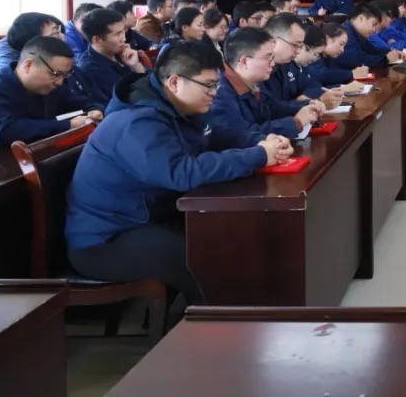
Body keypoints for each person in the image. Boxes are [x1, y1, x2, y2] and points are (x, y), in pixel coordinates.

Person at [64, 40, 290, 305]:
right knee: (205, 257)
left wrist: (261, 142)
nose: (214, 93)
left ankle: (255, 312)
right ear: (174, 82)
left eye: (216, 85)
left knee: (232, 235)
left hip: (150, 218)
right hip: (106, 238)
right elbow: (182, 172)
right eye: (208, 86)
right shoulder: (136, 121)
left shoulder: (179, 105)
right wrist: (258, 155)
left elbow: (217, 135)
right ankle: (218, 326)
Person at [0, 36, 104, 148]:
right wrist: (68, 125)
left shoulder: (51, 85)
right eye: (56, 74)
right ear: (28, 65)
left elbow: (79, 102)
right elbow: (5, 131)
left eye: (65, 74)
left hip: (45, 152)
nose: (60, 82)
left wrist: (95, 109)